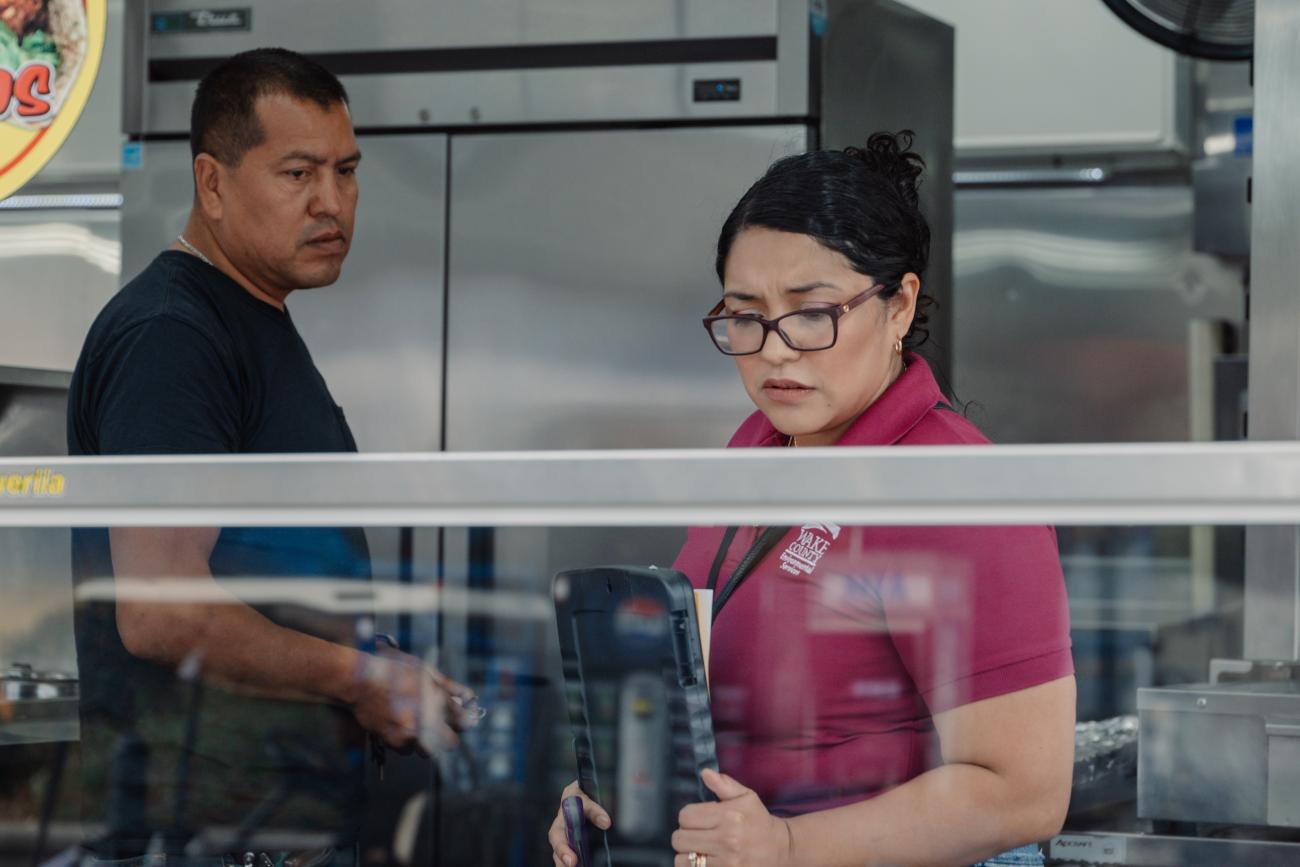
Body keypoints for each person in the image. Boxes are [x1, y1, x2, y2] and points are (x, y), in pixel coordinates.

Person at [550, 132, 1075, 867]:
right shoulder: (758, 448)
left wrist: (790, 844)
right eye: (744, 315)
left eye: (811, 312)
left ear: (899, 307)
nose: (773, 349)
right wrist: (616, 793)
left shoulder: (952, 486)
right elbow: (703, 690)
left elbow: (1024, 792)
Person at [68, 48, 466, 862]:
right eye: (298, 174)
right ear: (212, 184)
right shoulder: (173, 337)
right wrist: (361, 680)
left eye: (346, 171)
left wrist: (366, 655)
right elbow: (161, 611)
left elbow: (255, 576)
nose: (333, 202)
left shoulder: (254, 319)